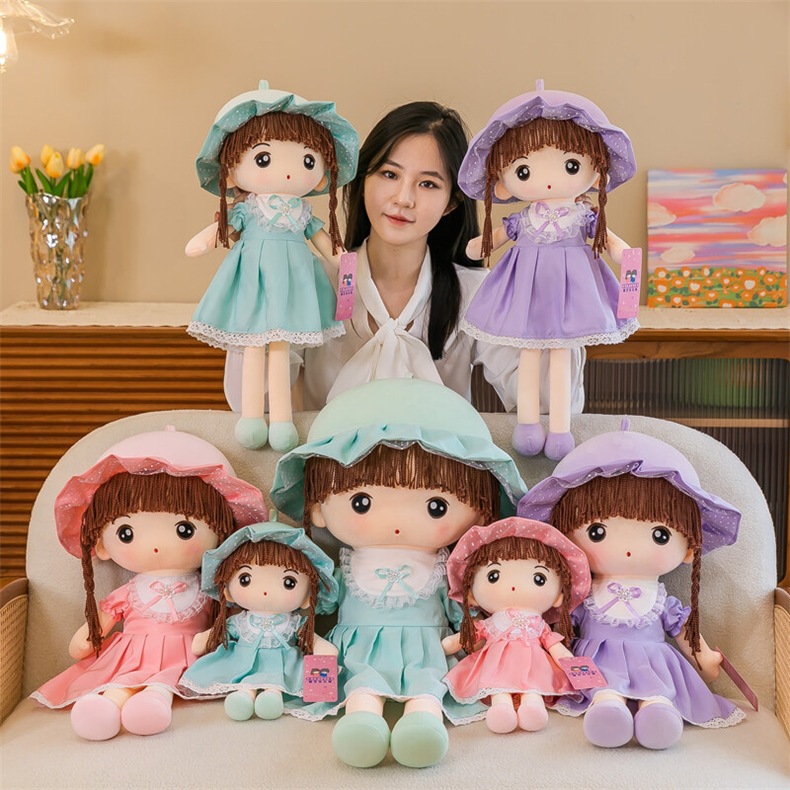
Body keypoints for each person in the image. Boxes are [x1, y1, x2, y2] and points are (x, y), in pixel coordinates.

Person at [222, 101, 584, 414]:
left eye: (428, 183)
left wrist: (556, 286)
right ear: (363, 179)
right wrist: (257, 268)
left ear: (452, 202)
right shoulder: (309, 280)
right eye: (389, 174)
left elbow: (549, 408)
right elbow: (250, 405)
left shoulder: (477, 291)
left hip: (439, 471)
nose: (403, 198)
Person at [270, 378, 527, 768]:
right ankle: (362, 722)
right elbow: (320, 603)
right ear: (318, 509)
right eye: (361, 502)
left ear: (480, 512)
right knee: (361, 683)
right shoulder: (342, 566)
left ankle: (423, 724)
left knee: (428, 685)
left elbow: (459, 610)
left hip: (428, 650)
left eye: (436, 506)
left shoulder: (447, 566)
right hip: (357, 650)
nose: (396, 523)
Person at [518, 422, 744, 749]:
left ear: (689, 550)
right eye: (596, 532)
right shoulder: (583, 596)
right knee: (604, 689)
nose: (626, 549)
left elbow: (684, 629)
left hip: (653, 663)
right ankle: (607, 707)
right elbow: (563, 628)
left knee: (659, 691)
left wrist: (704, 656)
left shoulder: (662, 601)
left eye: (660, 535)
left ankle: (658, 711)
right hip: (596, 663)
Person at [32, 427, 267, 740]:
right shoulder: (129, 592)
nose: (156, 546)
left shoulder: (210, 589)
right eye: (126, 533)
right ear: (101, 545)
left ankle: (154, 700)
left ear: (222, 535)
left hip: (188, 655)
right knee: (120, 682)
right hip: (130, 654)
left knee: (162, 684)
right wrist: (88, 638)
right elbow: (101, 623)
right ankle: (106, 705)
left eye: (184, 530)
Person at [457, 81, 638, 459]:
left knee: (560, 355)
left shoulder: (584, 215)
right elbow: (494, 238)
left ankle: (559, 428)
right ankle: (527, 424)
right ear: (502, 182)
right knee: (528, 353)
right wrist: (479, 245)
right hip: (528, 293)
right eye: (523, 170)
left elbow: (607, 240)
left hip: (572, 295)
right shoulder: (523, 219)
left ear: (597, 172)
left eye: (571, 165)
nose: (550, 180)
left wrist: (625, 255)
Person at [186, 80, 359, 452]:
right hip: (254, 281)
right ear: (231, 170)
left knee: (279, 350)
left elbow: (326, 243)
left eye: (307, 160)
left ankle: (282, 420)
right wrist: (205, 239)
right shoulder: (248, 209)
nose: (288, 172)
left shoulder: (303, 212)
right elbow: (223, 229)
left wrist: (342, 260)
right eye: (263, 158)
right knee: (254, 347)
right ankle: (251, 417)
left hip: (293, 286)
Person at [441, 516, 590, 734]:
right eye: (493, 576)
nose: (513, 586)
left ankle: (533, 706)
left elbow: (555, 646)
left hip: (534, 665)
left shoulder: (539, 624)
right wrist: (453, 643)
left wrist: (572, 664)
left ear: (559, 597)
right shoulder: (490, 622)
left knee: (533, 686)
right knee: (497, 686)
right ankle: (501, 708)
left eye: (539, 578)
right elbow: (472, 634)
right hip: (495, 665)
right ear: (471, 594)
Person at [179, 522, 339, 721]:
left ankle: (273, 696)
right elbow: (219, 633)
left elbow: (312, 640)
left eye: (289, 582)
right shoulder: (239, 622)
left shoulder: (295, 623)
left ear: (308, 597)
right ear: (227, 592)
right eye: (245, 579)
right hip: (241, 664)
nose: (265, 591)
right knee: (245, 686)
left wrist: (323, 649)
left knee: (275, 687)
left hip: (284, 667)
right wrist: (204, 639)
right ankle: (244, 696)